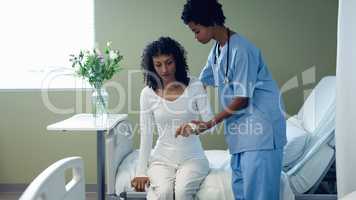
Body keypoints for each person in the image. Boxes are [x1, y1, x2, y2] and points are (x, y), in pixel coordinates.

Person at [177, 0, 287, 199]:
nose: (195, 37)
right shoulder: (217, 51)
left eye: (196, 30)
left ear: (211, 21)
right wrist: (174, 103)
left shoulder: (242, 50)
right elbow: (199, 84)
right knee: (242, 193)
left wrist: (209, 123)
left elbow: (242, 99)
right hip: (240, 136)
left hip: (260, 133)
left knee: (260, 195)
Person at [131, 36, 214, 200]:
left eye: (169, 62)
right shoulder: (147, 94)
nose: (164, 70)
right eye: (158, 65)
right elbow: (146, 135)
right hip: (161, 159)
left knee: (182, 193)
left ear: (177, 61)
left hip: (193, 158)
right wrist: (141, 172)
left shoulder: (195, 85)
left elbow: (211, 121)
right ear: (152, 67)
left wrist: (194, 127)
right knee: (164, 193)